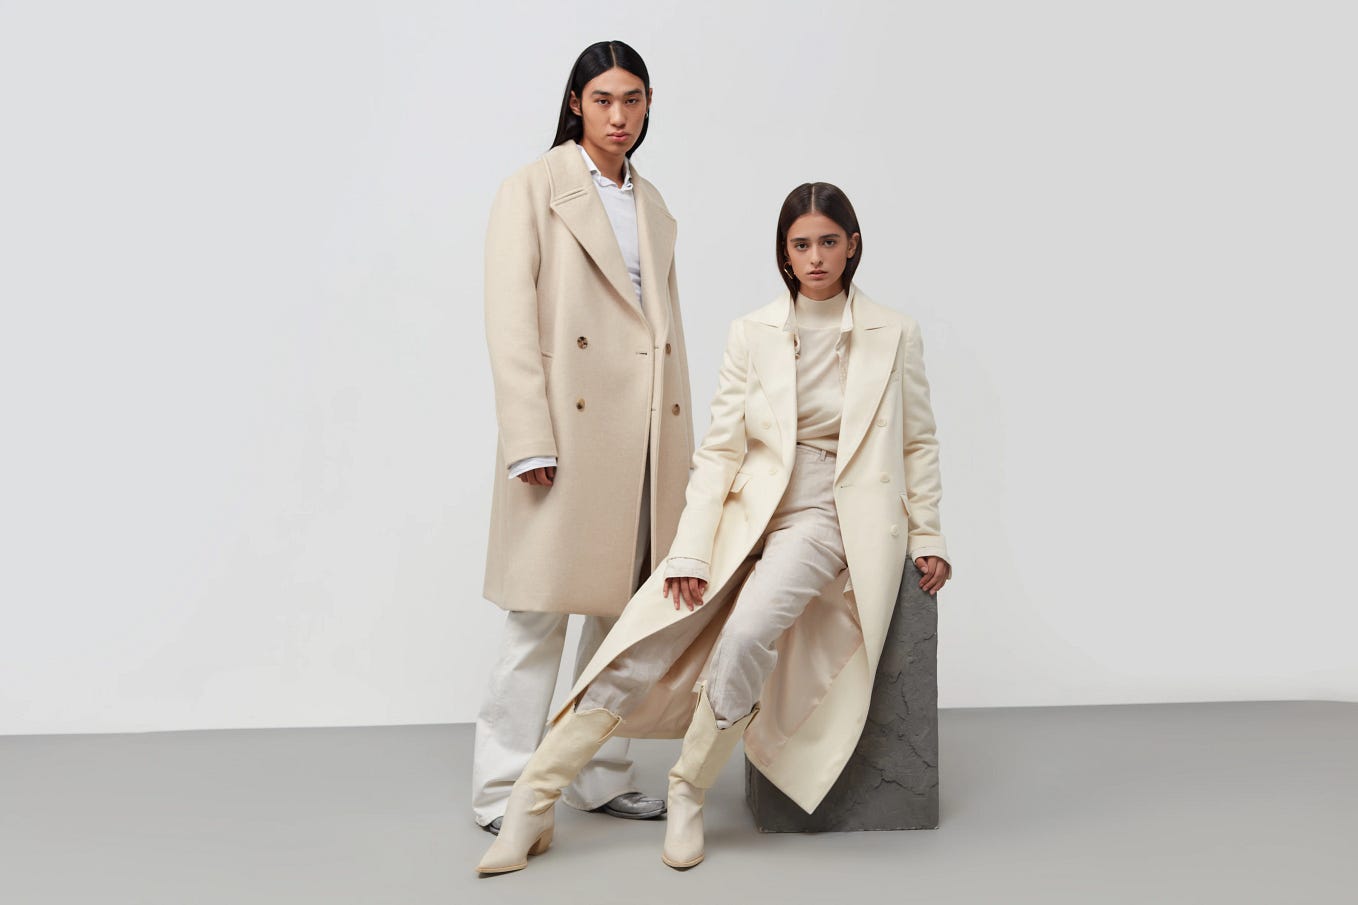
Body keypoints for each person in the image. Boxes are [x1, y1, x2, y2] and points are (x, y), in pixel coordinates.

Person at [477, 182, 952, 874]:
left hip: (826, 513)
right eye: (800, 245)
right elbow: (722, 449)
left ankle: (688, 790)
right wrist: (691, 549)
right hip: (743, 506)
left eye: (828, 241)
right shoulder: (752, 331)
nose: (815, 257)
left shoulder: (895, 332)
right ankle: (531, 801)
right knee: (639, 644)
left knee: (747, 635)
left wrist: (929, 535)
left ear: (852, 245)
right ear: (784, 254)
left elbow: (918, 442)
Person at [473, 40, 695, 835]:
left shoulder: (653, 202)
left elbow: (665, 333)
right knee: (538, 615)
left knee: (622, 617)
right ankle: (500, 789)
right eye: (603, 99)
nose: (619, 115)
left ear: (648, 104)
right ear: (576, 103)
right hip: (566, 436)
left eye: (633, 99)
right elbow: (509, 319)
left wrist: (681, 446)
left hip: (641, 437)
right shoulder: (534, 188)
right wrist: (528, 437)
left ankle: (596, 775)